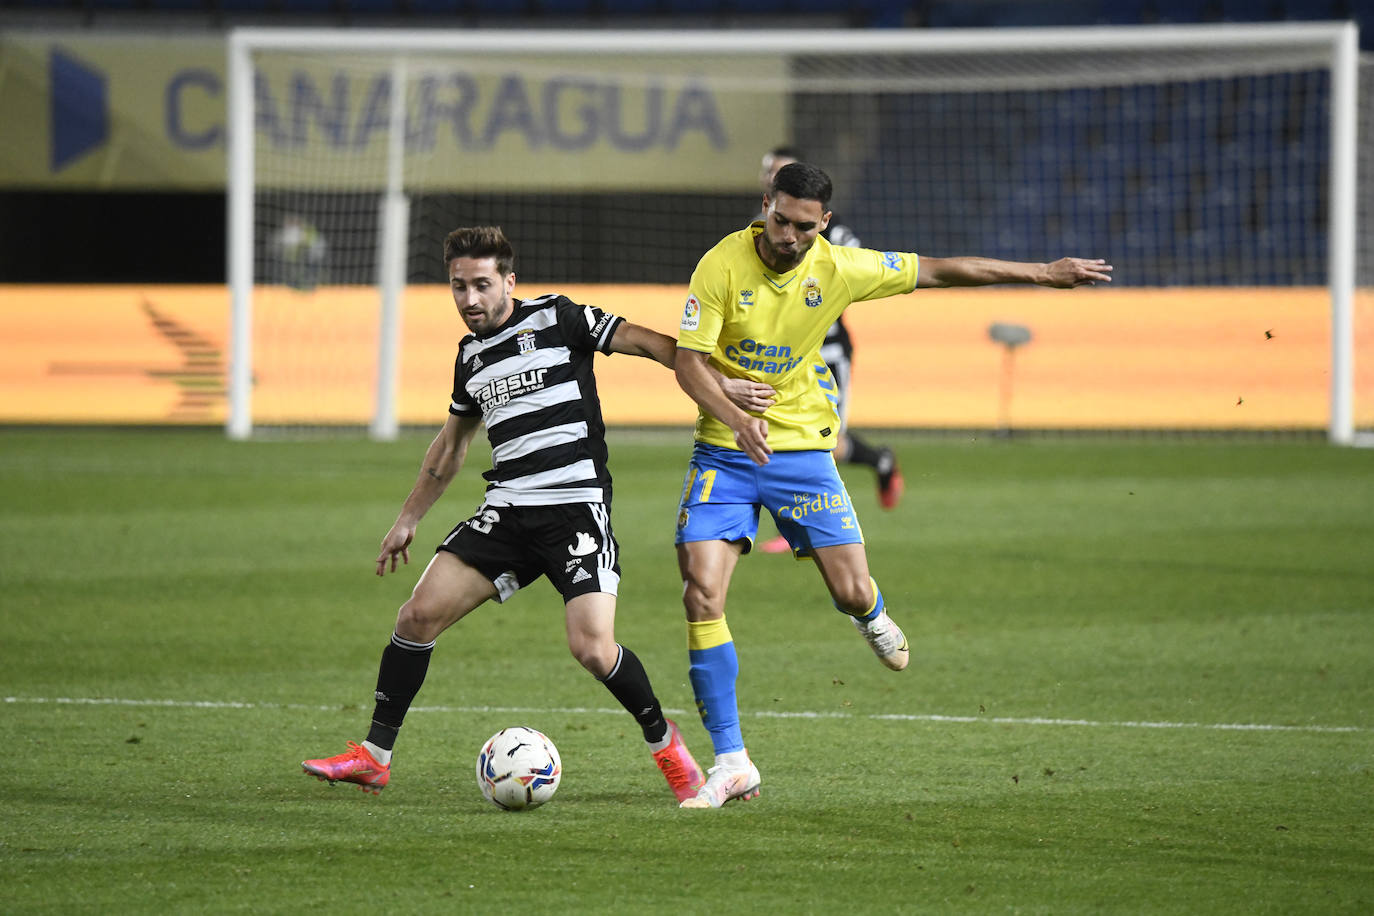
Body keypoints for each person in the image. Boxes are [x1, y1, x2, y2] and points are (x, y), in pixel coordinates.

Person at [672, 162, 1112, 809]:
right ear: (765, 204)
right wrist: (735, 415)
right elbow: (687, 363)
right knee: (701, 593)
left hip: (801, 452)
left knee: (850, 589)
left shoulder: (840, 269)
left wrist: (1042, 274)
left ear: (823, 224)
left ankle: (871, 614)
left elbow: (939, 270)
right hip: (726, 451)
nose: (788, 236)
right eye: (779, 219)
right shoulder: (720, 266)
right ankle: (733, 760)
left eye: (803, 226)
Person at [302, 226, 704, 804]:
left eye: (482, 285)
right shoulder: (469, 357)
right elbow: (450, 447)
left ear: (509, 281)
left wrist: (719, 388)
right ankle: (374, 757)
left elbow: (656, 345)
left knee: (592, 648)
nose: (469, 300)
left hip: (574, 508)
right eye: (458, 287)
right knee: (416, 618)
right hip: (509, 510)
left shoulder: (559, 318)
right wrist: (408, 518)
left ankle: (667, 746)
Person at [754, 148, 902, 555]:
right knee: (783, 434)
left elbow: (855, 270)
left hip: (828, 353)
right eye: (769, 170)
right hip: (781, 356)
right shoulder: (757, 231)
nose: (772, 175)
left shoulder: (831, 236)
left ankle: (807, 519)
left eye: (780, 169)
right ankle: (874, 463)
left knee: (824, 440)